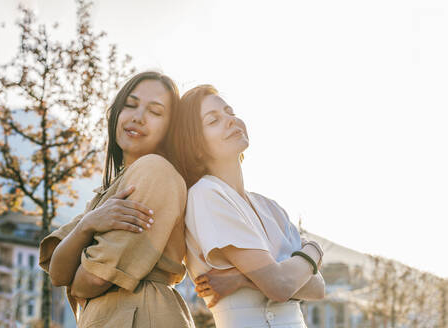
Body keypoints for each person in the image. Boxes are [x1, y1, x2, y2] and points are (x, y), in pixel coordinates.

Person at [38, 71, 195, 328]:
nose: (138, 117)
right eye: (130, 105)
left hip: (143, 315)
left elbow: (92, 280)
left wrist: (80, 274)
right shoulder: (111, 189)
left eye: (155, 112)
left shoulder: (155, 170)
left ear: (170, 128)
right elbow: (58, 272)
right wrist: (88, 224)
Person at [171, 85, 325, 327]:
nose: (230, 121)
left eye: (230, 112)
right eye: (214, 120)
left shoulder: (270, 207)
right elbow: (280, 285)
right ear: (196, 147)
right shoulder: (205, 195)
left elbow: (318, 288)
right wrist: (313, 252)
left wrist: (242, 279)